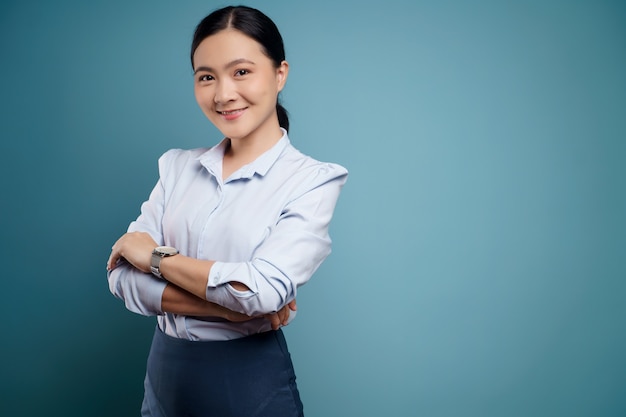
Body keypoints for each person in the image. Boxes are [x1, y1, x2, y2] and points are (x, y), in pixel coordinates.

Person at [106, 5, 348, 416]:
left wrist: (152, 256)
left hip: (248, 382)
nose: (223, 94)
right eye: (206, 77)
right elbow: (123, 280)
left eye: (241, 72)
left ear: (279, 74)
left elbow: (262, 291)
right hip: (165, 377)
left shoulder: (312, 180)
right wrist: (227, 306)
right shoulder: (176, 167)